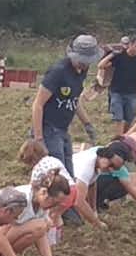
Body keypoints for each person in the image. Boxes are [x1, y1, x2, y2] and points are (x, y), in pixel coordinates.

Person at [31, 35, 106, 167]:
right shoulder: (58, 72)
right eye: (83, 61)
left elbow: (74, 99)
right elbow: (38, 104)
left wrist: (87, 124)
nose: (85, 64)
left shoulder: (82, 70)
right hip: (48, 129)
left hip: (63, 129)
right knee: (58, 173)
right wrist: (39, 139)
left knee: (69, 173)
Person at [99, 37, 136, 129]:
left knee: (129, 118)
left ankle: (125, 136)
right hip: (116, 91)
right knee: (118, 117)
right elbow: (101, 65)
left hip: (132, 92)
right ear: (130, 45)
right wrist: (112, 54)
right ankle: (119, 138)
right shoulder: (119, 56)